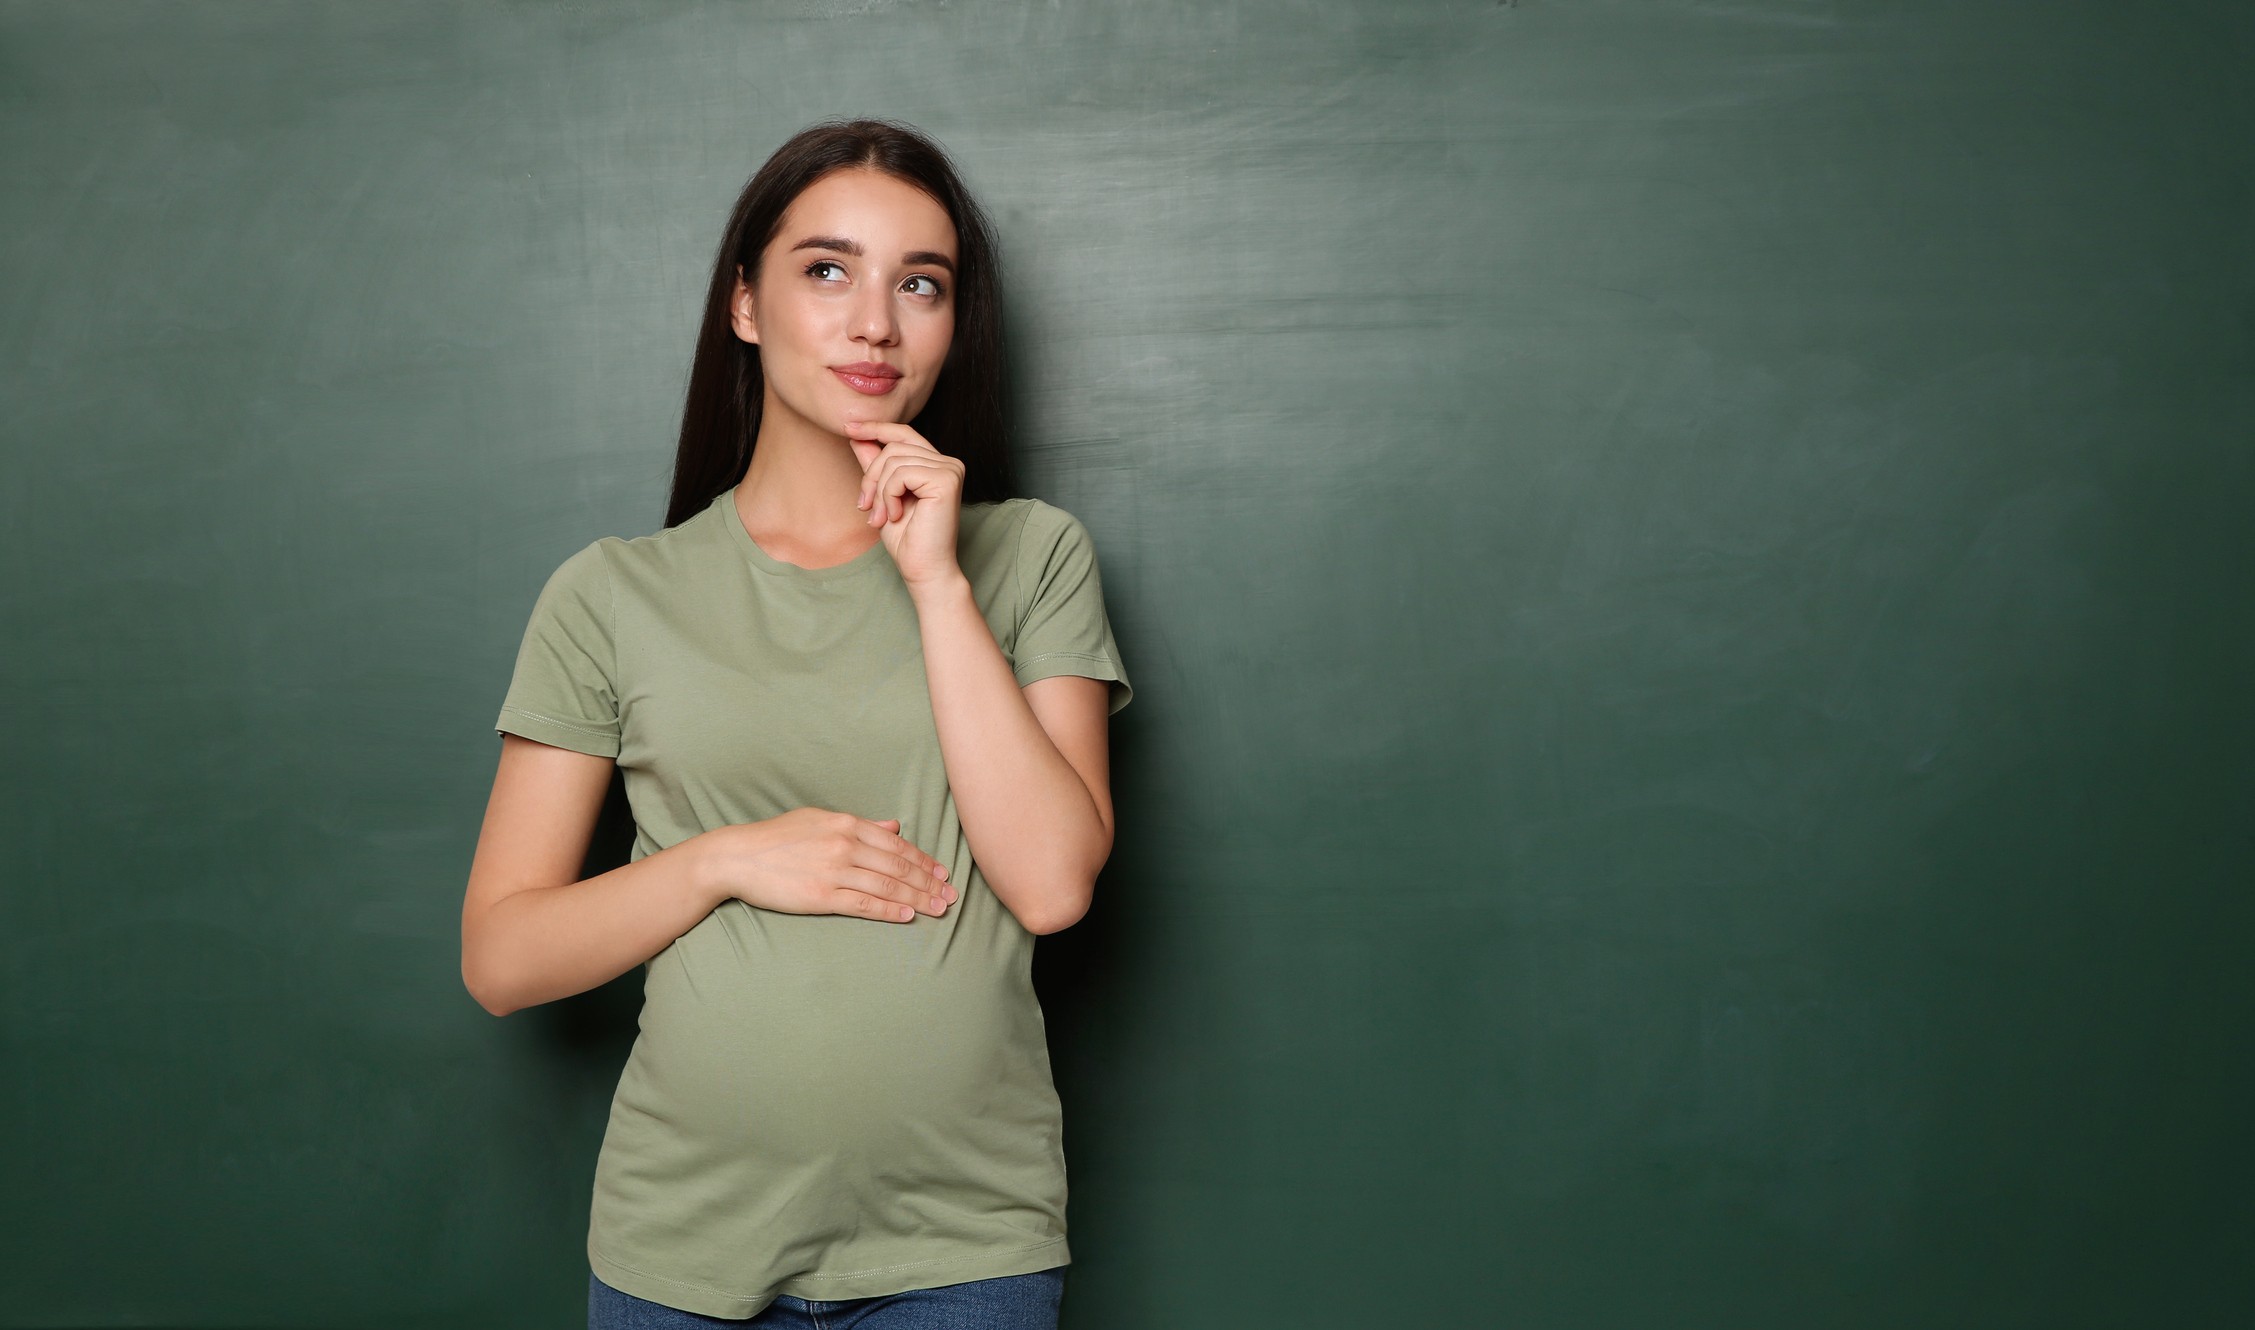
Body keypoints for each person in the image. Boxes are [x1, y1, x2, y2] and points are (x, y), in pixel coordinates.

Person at [459, 118, 1132, 1328]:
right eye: (827, 270)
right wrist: (722, 859)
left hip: (961, 1250)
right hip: (681, 1250)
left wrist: (937, 584)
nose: (875, 323)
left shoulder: (1030, 557)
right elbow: (503, 959)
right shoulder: (611, 594)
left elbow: (1050, 885)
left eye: (918, 284)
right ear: (745, 304)